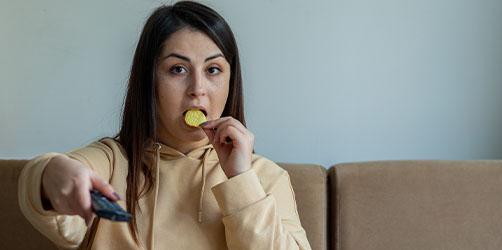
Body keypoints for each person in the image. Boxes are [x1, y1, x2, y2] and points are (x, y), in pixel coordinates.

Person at [18, 1, 312, 249]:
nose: (198, 88)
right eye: (178, 69)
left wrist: (241, 179)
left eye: (213, 70)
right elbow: (52, 192)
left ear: (230, 81)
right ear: (150, 80)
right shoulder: (112, 162)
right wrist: (50, 174)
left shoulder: (265, 177)